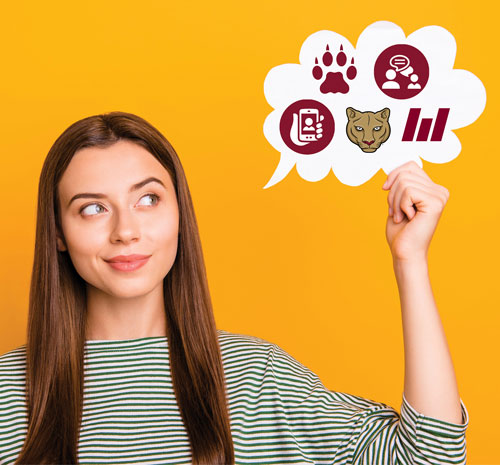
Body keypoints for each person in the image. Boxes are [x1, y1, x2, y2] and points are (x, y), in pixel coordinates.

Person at [0, 111, 468, 465]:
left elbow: (429, 455)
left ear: (180, 213)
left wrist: (410, 262)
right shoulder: (8, 390)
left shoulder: (256, 377)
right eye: (91, 209)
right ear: (58, 233)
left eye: (147, 200)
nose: (126, 230)